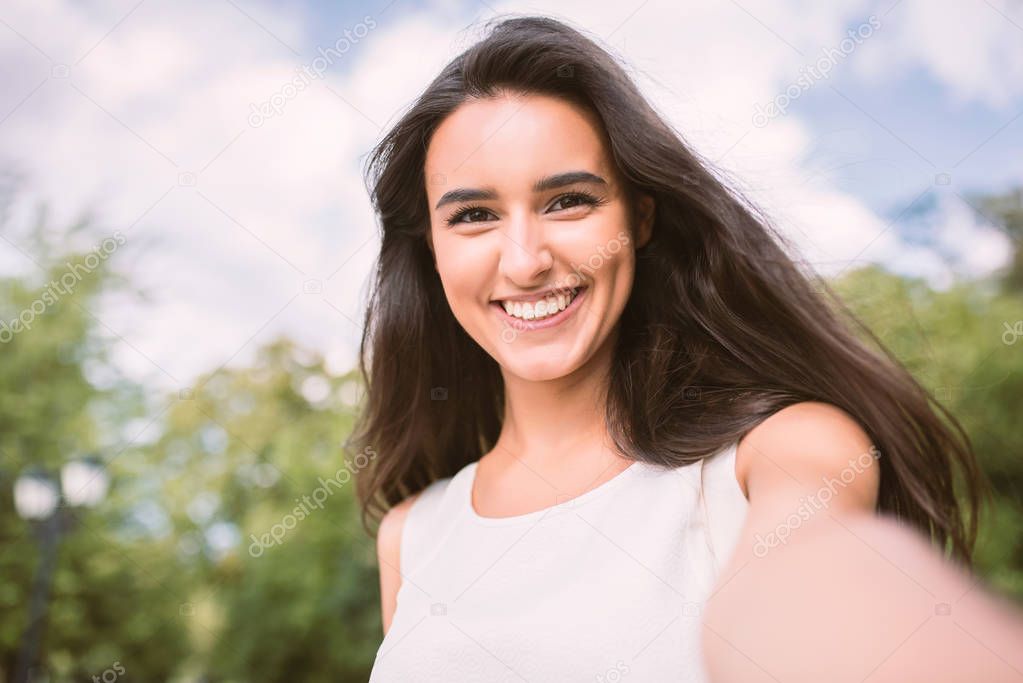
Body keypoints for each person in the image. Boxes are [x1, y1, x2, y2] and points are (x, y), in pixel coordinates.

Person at [348, 14, 1022, 682]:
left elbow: (813, 588)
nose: (525, 261)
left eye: (568, 202)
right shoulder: (410, 535)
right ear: (429, 247)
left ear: (638, 217)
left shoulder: (777, 452)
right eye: (473, 215)